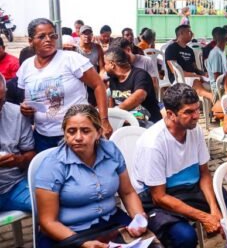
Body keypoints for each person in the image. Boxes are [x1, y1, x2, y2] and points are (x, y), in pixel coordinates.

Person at [35, 105, 147, 248]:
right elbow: (47, 222)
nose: (78, 137)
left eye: (85, 131)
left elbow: (127, 192)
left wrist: (139, 218)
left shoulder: (111, 151)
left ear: (98, 132)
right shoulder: (53, 164)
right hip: (67, 233)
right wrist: (83, 243)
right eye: (71, 131)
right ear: (65, 133)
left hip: (112, 221)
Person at [131, 84, 223, 248]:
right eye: (189, 112)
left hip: (191, 189)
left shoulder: (195, 129)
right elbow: (159, 197)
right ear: (170, 114)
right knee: (185, 237)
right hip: (157, 198)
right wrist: (204, 217)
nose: (196, 116)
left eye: (197, 109)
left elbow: (204, 173)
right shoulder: (153, 144)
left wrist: (214, 209)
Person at [18, 18, 110, 151]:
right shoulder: (26, 66)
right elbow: (27, 98)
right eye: (42, 36)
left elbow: (98, 85)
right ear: (30, 41)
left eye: (52, 35)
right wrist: (25, 107)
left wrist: (104, 120)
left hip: (77, 134)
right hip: (42, 136)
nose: (48, 39)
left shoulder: (70, 59)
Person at [0, 74, 35, 213]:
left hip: (13, 186)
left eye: (0, 101)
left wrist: (18, 160)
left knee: (48, 205)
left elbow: (30, 153)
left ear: (5, 93)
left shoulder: (16, 114)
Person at [105, 47, 162, 124]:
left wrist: (117, 111)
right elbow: (111, 101)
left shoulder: (140, 75)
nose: (104, 67)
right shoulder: (113, 78)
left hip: (148, 120)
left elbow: (139, 95)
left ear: (112, 64)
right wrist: (111, 115)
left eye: (105, 64)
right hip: (124, 118)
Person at [164, 24, 213, 101]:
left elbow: (195, 68)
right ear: (181, 33)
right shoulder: (171, 49)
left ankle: (213, 99)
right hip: (178, 78)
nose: (192, 34)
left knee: (212, 80)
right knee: (196, 81)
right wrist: (195, 75)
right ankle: (211, 96)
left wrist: (203, 73)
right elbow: (175, 71)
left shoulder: (190, 50)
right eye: (189, 32)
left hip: (193, 76)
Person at [206, 27, 227, 96]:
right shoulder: (216, 53)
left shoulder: (223, 51)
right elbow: (217, 77)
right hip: (218, 89)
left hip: (224, 84)